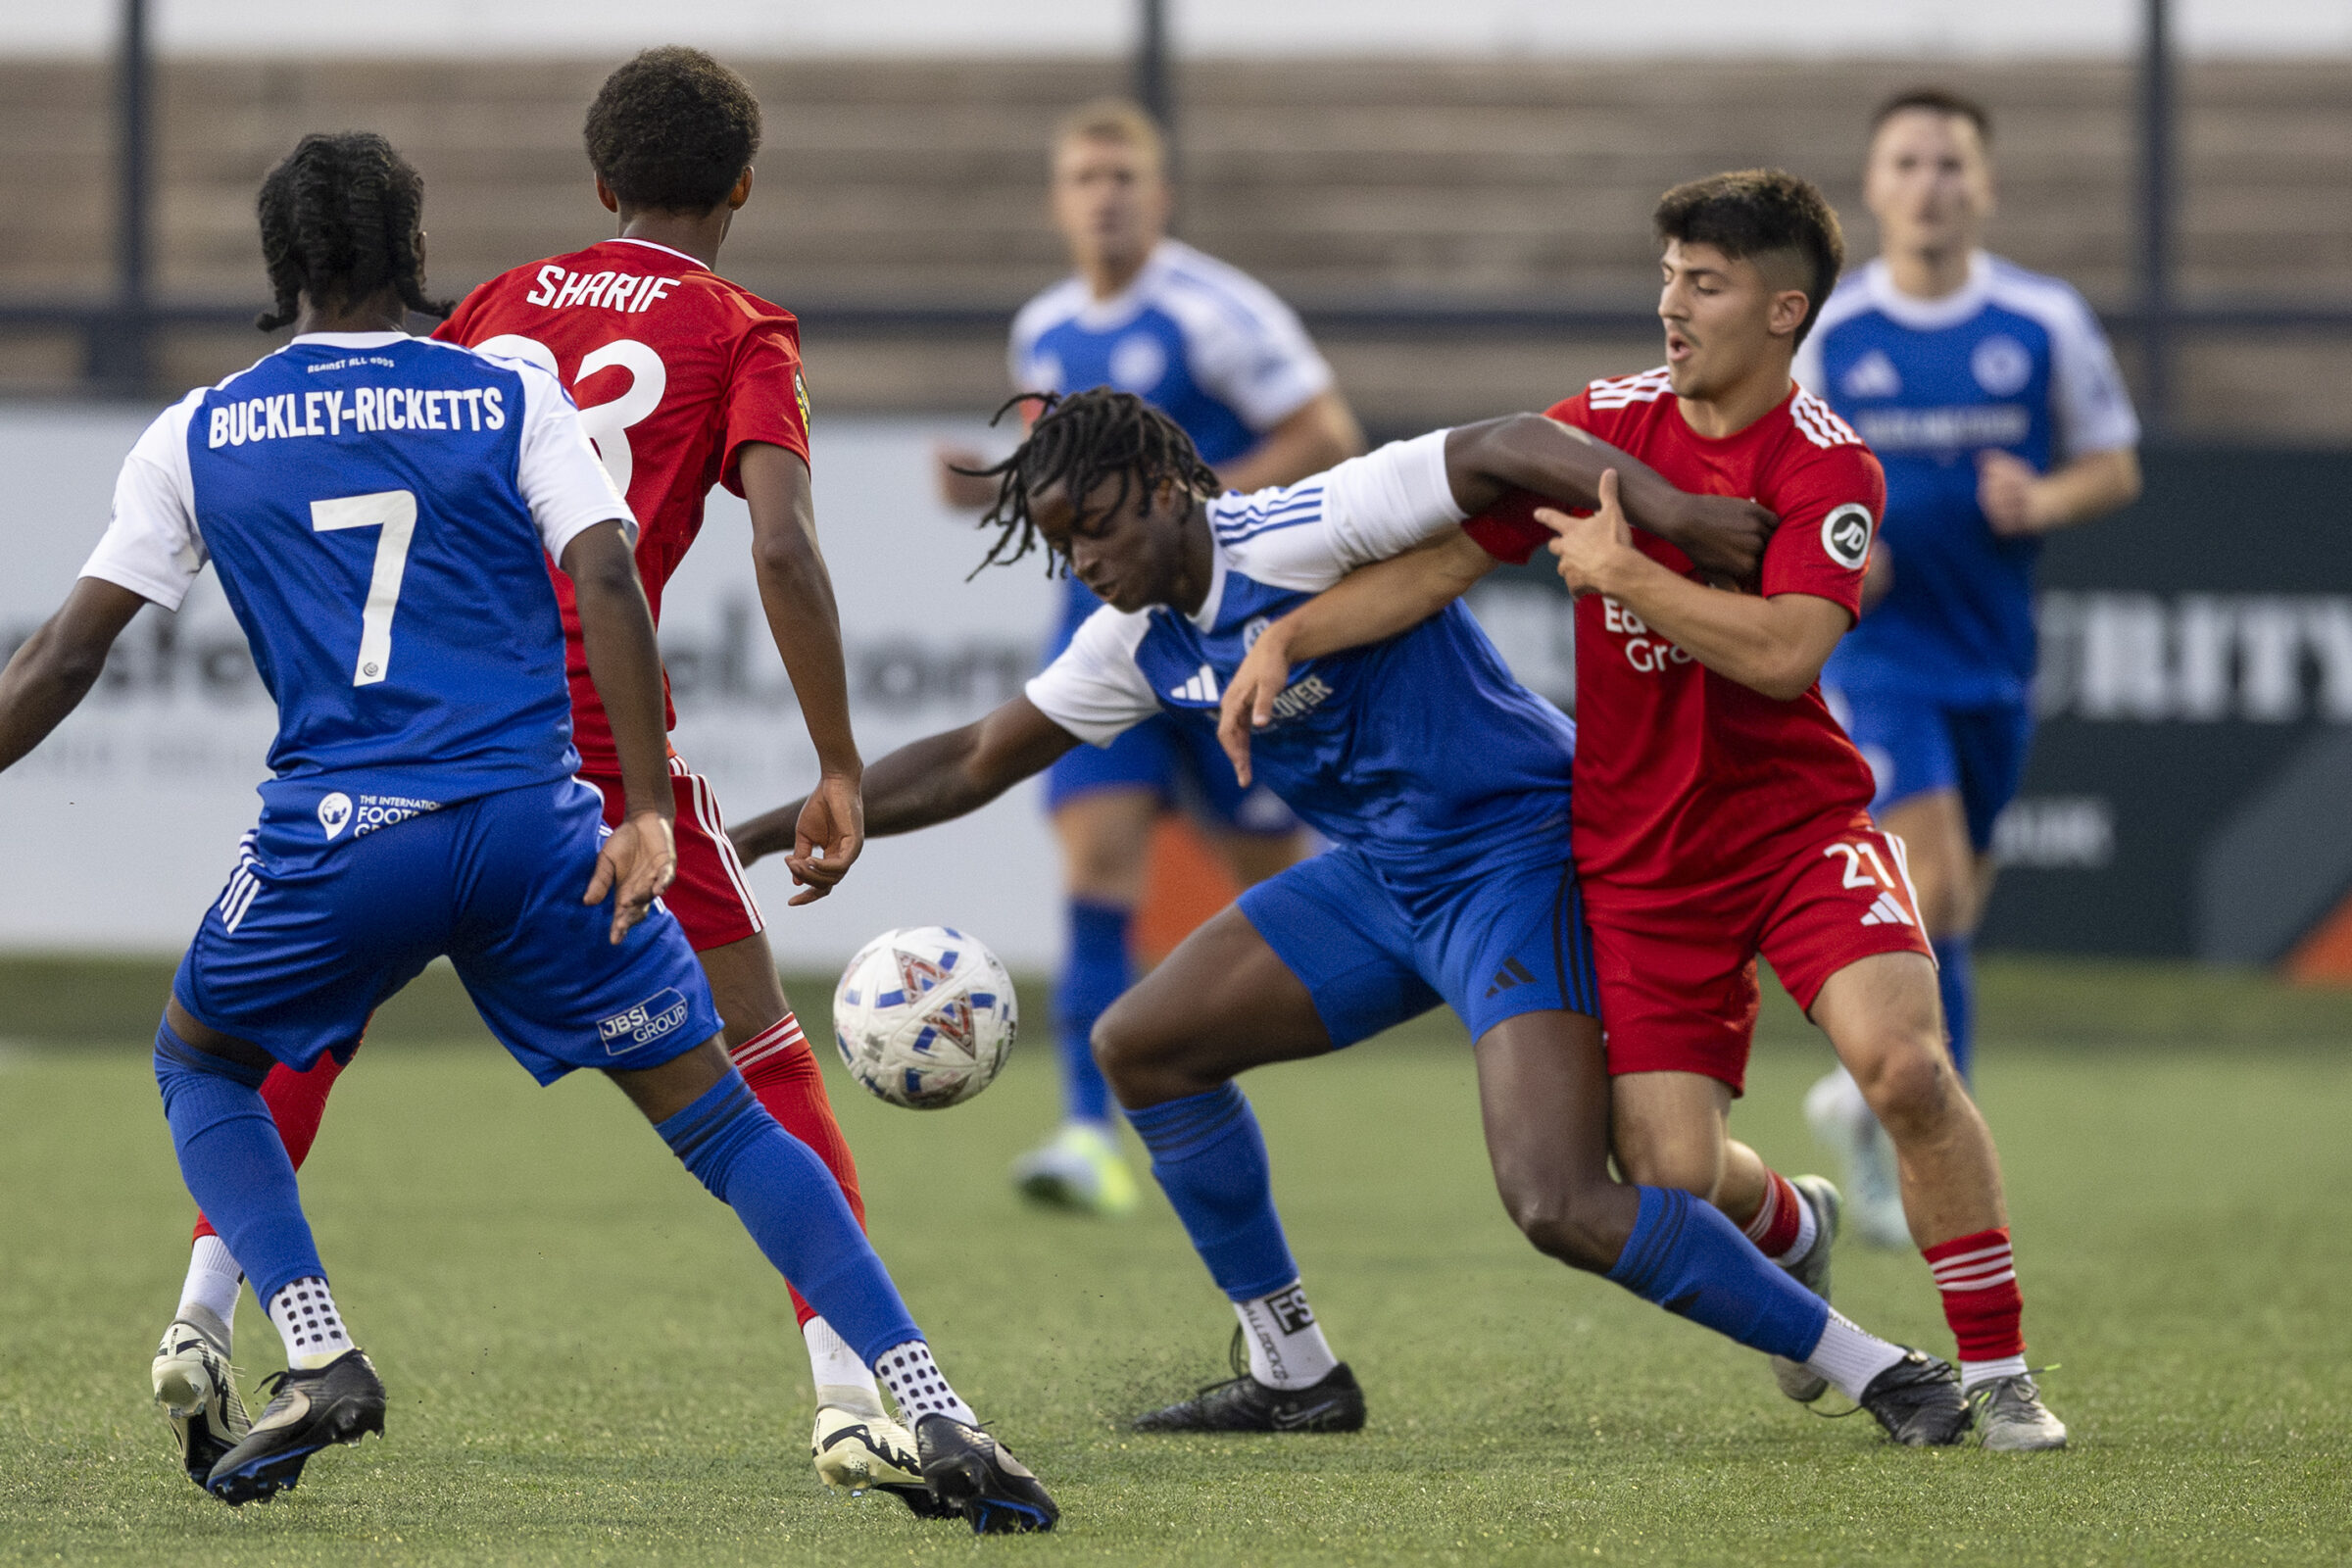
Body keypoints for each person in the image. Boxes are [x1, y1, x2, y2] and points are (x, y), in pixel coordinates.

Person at [0, 132, 1054, 1530]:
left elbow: (62, 660)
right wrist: (639, 810)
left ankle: (306, 1340)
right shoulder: (510, 385)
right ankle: (928, 1404)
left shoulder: (198, 429)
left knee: (203, 1058)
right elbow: (607, 576)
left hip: (339, 843)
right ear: (414, 256)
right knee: (732, 1123)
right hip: (535, 833)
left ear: (279, 270)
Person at [738, 386, 1972, 1447]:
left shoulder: (1307, 522)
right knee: (1142, 1043)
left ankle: (1881, 1367)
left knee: (1557, 1199)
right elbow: (972, 756)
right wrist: (763, 826)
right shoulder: (1137, 642)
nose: (1087, 563)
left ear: (1170, 486)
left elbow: (1504, 442)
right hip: (1386, 879)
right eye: (1064, 545)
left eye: (1098, 526)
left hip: (1519, 859)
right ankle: (1294, 1372)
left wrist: (1673, 510)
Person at [1218, 170, 2068, 1450]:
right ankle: (1797, 1223)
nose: (1671, 304)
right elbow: (1447, 562)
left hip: (1797, 833)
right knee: (1668, 1172)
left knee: (1904, 1067)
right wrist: (1295, 632)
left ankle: (2000, 1374)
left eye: (1705, 284)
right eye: (1668, 275)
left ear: (1784, 311)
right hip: (1640, 862)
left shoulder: (1826, 464)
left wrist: (1622, 573)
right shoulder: (1598, 432)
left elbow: (1785, 653)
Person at [933, 99, 1362, 1216]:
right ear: (1059, 201)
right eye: (1086, 179)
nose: (1105, 196)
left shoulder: (1215, 310)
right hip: (1111, 633)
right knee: (1096, 871)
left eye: (1124, 177)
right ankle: (1087, 1132)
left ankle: (1230, 1077)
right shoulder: (1043, 328)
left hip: (1230, 628)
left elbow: (1328, 434)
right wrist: (993, 480)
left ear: (1159, 197)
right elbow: (1073, 476)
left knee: (1291, 888)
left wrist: (1202, 520)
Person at [1795, 88, 2142, 1249]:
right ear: (1875, 185)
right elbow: (1783, 480)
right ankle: (1887, 1125)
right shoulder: (1837, 333)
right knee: (1929, 887)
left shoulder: (2042, 319)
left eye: (1952, 163)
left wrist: (2040, 497)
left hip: (1993, 655)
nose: (1931, 182)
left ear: (1983, 186)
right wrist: (1836, 556)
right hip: (1880, 654)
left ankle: (1896, 1117)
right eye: (1908, 161)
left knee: (1958, 910)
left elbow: (2114, 464)